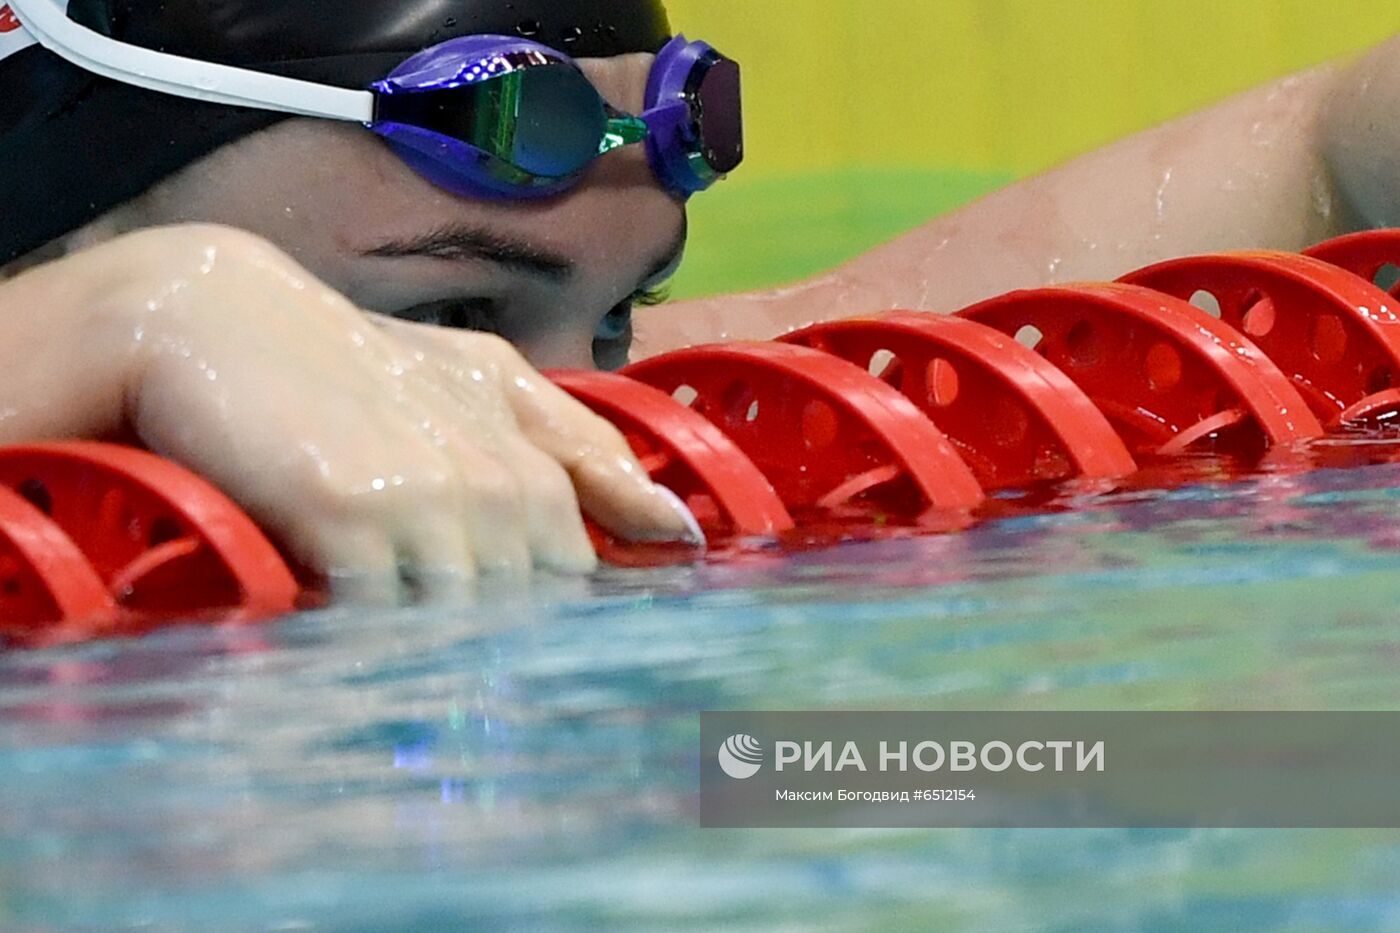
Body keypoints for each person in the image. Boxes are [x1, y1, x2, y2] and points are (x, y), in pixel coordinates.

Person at [0, 0, 1397, 605]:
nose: (579, 417)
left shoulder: (602, 434)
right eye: (443, 326)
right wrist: (141, 315)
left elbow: (1322, 146)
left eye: (617, 322)